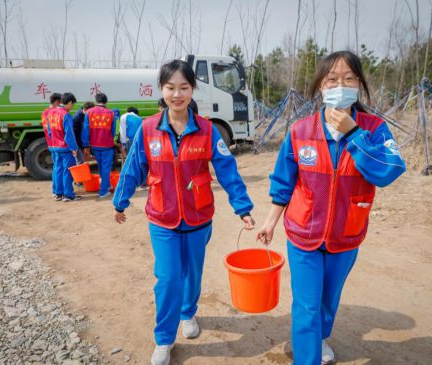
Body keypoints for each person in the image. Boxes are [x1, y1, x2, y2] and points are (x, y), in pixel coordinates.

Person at [257, 50, 406, 365]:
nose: (340, 85)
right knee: (307, 305)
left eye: (349, 79)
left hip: (346, 235)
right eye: (332, 79)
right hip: (303, 234)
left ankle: (319, 337)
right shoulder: (300, 132)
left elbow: (389, 170)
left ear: (360, 85)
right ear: (320, 87)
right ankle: (307, 356)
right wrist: (270, 221)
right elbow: (284, 181)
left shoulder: (374, 129)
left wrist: (354, 134)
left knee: (327, 301)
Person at [113, 59, 255, 365]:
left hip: (198, 217)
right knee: (167, 278)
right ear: (161, 90)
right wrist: (120, 200)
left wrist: (242, 206)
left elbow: (227, 169)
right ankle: (164, 339)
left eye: (184, 87)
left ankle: (188, 313)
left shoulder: (206, 129)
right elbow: (133, 166)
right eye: (170, 87)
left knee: (192, 273)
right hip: (162, 218)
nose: (177, 94)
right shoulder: (149, 128)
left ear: (192, 90)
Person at [81, 92, 118, 199]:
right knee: (106, 168)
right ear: (106, 101)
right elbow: (113, 131)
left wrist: (86, 145)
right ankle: (103, 191)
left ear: (96, 101)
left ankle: (105, 186)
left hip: (94, 145)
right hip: (107, 145)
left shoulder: (89, 112)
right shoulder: (111, 114)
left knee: (101, 167)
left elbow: (86, 130)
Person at [48, 92, 81, 202]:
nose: (72, 107)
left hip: (54, 146)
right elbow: (69, 134)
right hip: (65, 147)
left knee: (58, 169)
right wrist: (74, 148)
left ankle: (58, 193)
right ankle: (68, 195)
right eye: (72, 105)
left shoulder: (51, 113)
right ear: (70, 102)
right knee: (67, 171)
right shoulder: (66, 115)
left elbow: (49, 131)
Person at [42, 93, 61, 199]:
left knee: (56, 167)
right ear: (57, 102)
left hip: (51, 143)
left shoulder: (45, 113)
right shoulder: (55, 112)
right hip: (58, 144)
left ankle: (55, 190)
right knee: (59, 168)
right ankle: (58, 192)